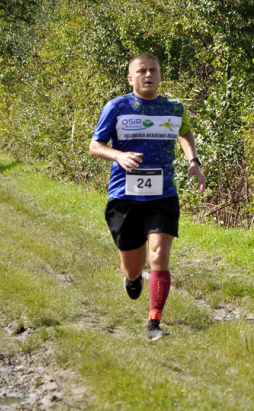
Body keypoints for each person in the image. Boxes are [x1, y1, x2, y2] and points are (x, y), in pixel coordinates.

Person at [89, 53, 205, 341]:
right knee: (133, 265)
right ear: (131, 78)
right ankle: (131, 278)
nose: (148, 75)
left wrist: (194, 162)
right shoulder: (117, 107)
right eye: (141, 71)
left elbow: (186, 134)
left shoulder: (174, 108)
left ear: (160, 75)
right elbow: (95, 145)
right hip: (124, 196)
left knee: (159, 255)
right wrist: (119, 155)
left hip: (162, 194)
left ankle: (154, 324)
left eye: (153, 70)